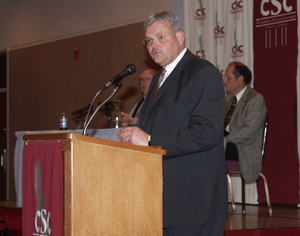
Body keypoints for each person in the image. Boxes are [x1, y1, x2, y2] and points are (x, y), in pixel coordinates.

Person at [118, 11, 228, 235]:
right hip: (163, 197)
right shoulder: (159, 77)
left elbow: (206, 132)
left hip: (193, 201)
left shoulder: (202, 72)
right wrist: (135, 135)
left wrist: (149, 139)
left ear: (180, 37)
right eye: (149, 41)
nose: (153, 45)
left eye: (160, 37)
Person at [223, 61, 267, 181]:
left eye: (228, 78)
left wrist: (223, 140)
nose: (224, 81)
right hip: (226, 143)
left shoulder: (255, 99)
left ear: (240, 79)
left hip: (242, 147)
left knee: (210, 150)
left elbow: (248, 132)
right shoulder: (227, 99)